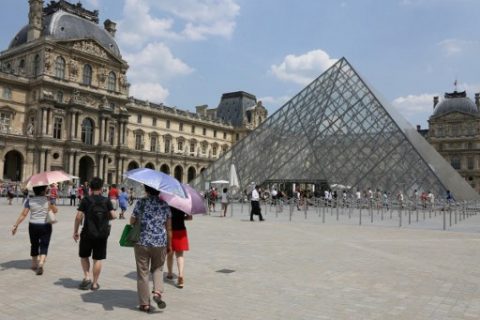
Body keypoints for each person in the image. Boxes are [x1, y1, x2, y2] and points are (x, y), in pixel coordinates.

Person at [131, 185, 172, 312]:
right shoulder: (165, 205)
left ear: (146, 190)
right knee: (158, 269)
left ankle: (144, 304)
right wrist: (169, 245)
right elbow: (169, 228)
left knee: (142, 272)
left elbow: (132, 221)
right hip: (160, 242)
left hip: (142, 242)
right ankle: (157, 293)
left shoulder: (141, 203)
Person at [73, 177, 116, 291]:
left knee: (84, 255)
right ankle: (95, 283)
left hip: (87, 232)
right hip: (102, 234)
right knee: (97, 259)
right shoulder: (106, 201)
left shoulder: (86, 200)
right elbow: (114, 216)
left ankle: (87, 277)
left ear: (90, 187)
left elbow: (78, 217)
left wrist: (75, 231)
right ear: (102, 188)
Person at [11, 185, 58, 275]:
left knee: (34, 243)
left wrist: (16, 225)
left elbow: (24, 214)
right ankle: (41, 262)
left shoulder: (30, 200)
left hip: (33, 225)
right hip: (45, 225)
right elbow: (55, 211)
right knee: (44, 244)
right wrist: (50, 205)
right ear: (43, 191)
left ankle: (34, 264)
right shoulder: (48, 200)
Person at [166, 207, 191, 289]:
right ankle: (180, 275)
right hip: (181, 231)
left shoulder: (167, 205)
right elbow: (190, 217)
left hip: (170, 231)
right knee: (180, 255)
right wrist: (181, 217)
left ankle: (170, 274)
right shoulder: (183, 205)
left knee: (170, 254)